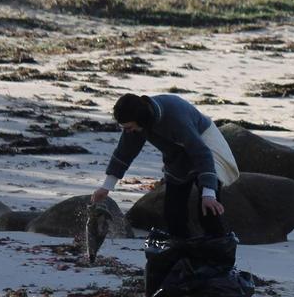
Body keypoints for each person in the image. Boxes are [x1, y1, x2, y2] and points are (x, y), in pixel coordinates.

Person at [91, 93, 238, 239]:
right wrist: (106, 187)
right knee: (173, 213)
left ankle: (219, 254)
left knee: (207, 210)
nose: (127, 131)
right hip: (176, 152)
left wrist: (209, 194)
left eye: (129, 127)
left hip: (205, 143)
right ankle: (183, 252)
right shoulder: (137, 122)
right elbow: (124, 153)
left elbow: (202, 153)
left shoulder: (175, 119)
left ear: (141, 119)